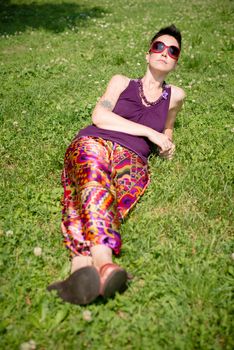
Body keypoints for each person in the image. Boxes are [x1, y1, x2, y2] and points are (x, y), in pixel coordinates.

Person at [47, 24, 186, 305]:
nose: (164, 53)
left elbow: (168, 129)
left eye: (172, 51)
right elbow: (99, 115)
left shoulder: (177, 96)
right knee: (93, 179)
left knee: (100, 195)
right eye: (158, 46)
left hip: (133, 159)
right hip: (94, 141)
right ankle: (104, 261)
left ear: (176, 61)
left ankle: (81, 268)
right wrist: (149, 132)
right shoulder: (121, 81)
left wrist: (167, 144)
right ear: (147, 54)